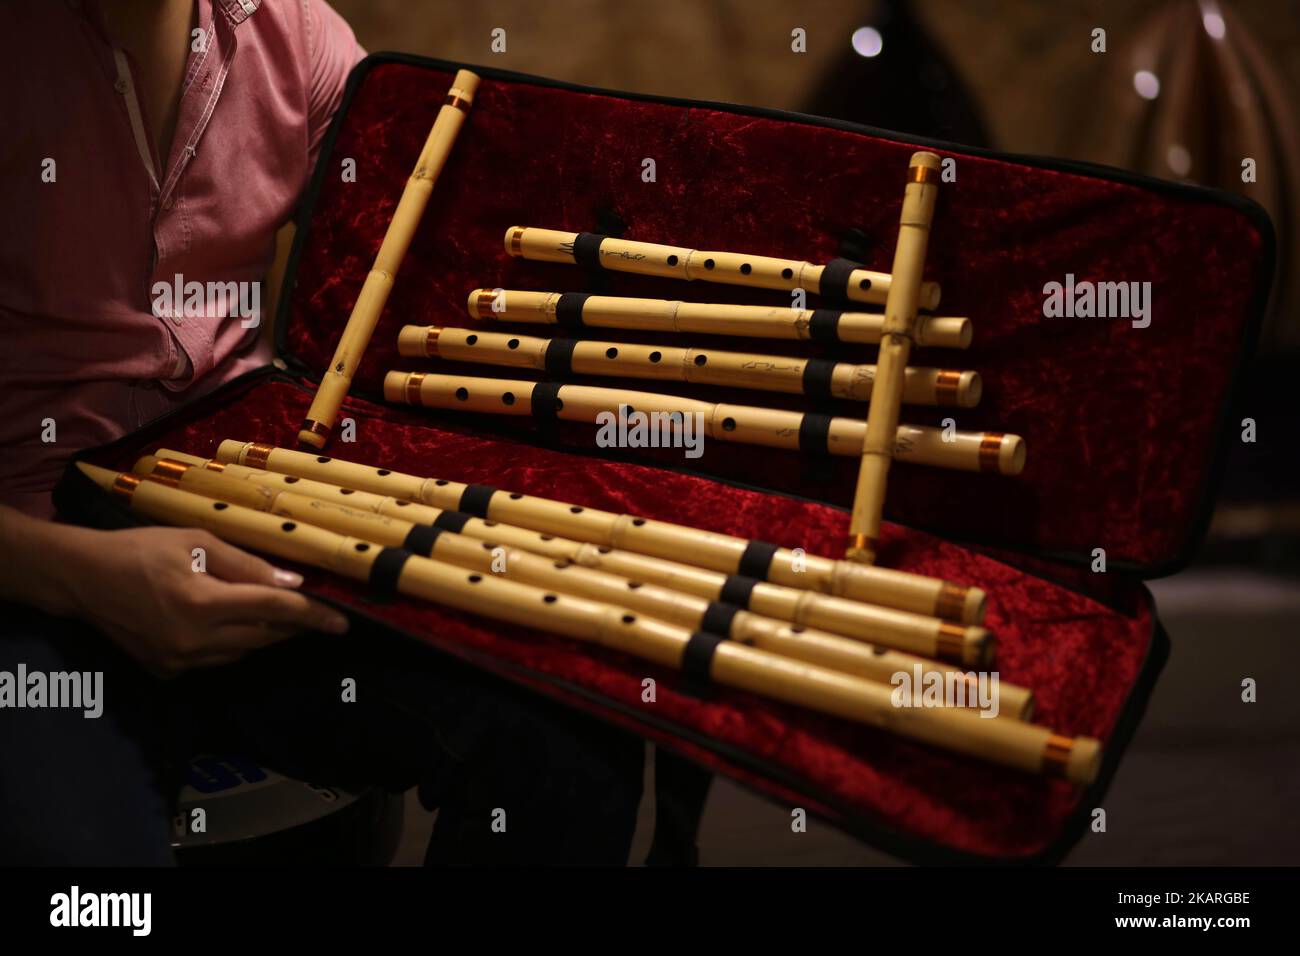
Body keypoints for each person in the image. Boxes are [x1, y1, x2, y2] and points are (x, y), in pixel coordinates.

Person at [0, 0, 644, 865]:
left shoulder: (293, 30)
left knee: (571, 725)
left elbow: (425, 240)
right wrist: (82, 577)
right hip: (32, 564)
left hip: (249, 502)